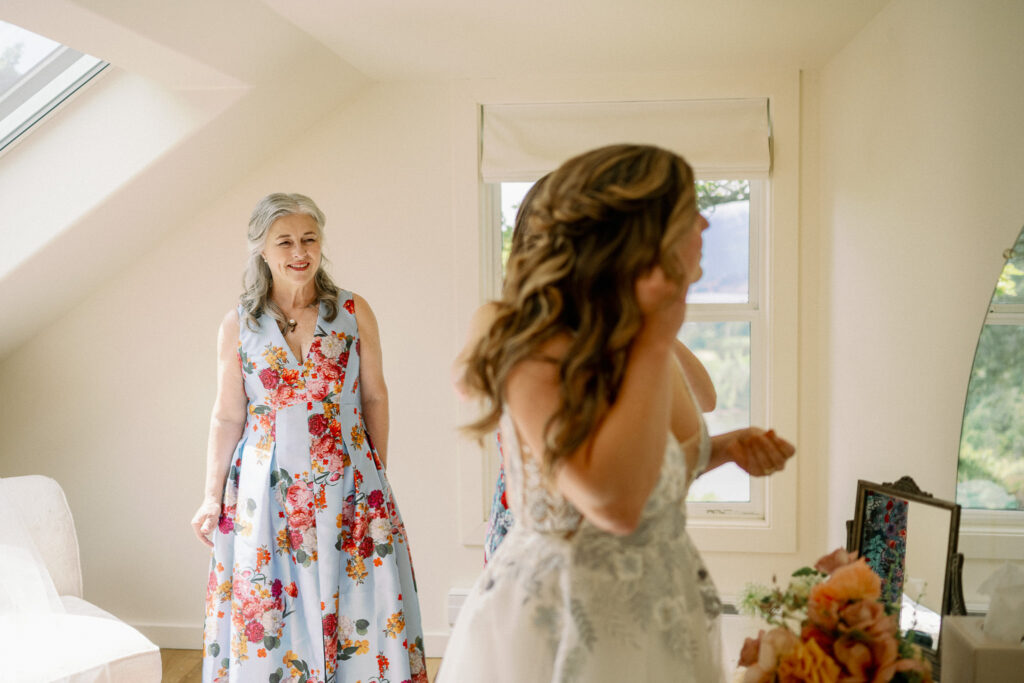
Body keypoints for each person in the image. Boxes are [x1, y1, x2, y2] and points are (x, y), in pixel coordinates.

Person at [438, 144, 795, 682]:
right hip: (567, 623)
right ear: (640, 234)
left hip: (660, 608)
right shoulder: (534, 342)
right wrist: (655, 335)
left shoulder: (639, 334)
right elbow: (614, 504)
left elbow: (643, 472)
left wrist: (721, 450)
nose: (703, 220)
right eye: (685, 209)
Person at [191, 193, 427, 683]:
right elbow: (227, 417)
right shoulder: (238, 324)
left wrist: (375, 478)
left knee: (359, 601)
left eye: (309, 239)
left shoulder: (353, 310)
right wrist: (211, 498)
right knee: (272, 606)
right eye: (286, 241)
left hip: (349, 483)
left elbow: (375, 398)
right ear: (261, 248)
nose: (300, 252)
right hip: (266, 490)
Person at [453, 175, 717, 564]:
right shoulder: (501, 318)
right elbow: (469, 383)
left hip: (619, 530)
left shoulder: (626, 325)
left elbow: (705, 399)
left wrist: (641, 318)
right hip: (535, 529)